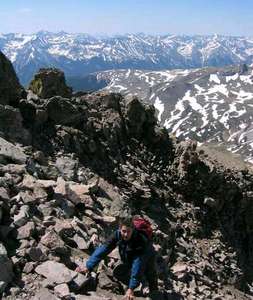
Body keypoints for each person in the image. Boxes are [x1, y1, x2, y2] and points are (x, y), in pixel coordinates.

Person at [75, 216, 158, 300]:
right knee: (118, 273)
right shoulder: (117, 235)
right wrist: (88, 266)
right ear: (119, 229)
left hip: (147, 253)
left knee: (150, 273)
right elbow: (103, 249)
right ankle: (138, 285)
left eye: (128, 232)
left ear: (133, 230)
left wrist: (131, 288)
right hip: (129, 255)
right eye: (124, 231)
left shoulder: (140, 241)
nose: (125, 234)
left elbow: (137, 265)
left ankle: (153, 292)